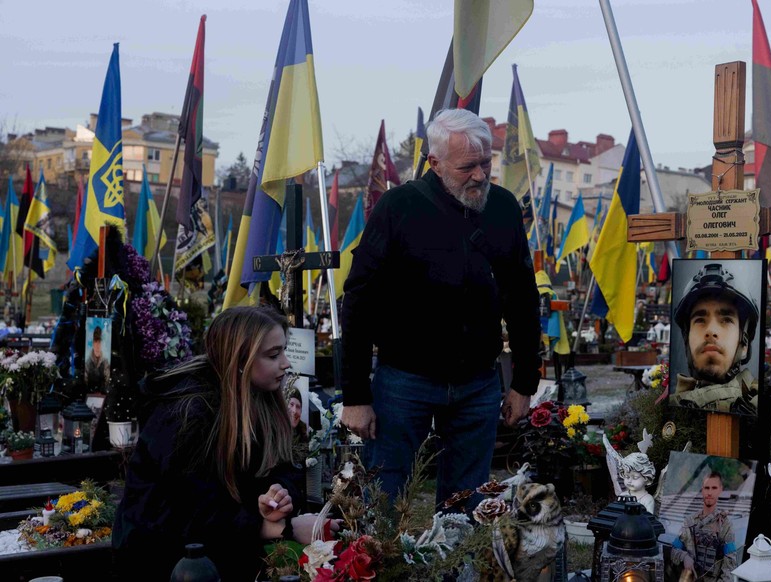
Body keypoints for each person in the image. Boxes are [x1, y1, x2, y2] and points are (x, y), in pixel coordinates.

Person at [340, 108, 541, 509]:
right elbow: (359, 301)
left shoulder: (503, 207)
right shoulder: (397, 207)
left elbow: (522, 298)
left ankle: (457, 553)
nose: (480, 176)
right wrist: (355, 395)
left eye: (486, 163)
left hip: (478, 382)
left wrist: (524, 383)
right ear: (434, 162)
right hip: (404, 380)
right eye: (467, 167)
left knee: (467, 506)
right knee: (384, 497)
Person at [113, 306, 337, 579]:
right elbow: (188, 509)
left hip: (223, 552)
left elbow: (283, 465)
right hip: (165, 561)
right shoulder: (187, 414)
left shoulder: (261, 398)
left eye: (283, 351)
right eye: (273, 355)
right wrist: (278, 528)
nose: (286, 363)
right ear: (240, 359)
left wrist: (278, 495)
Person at [669, 263, 759, 414]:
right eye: (700, 320)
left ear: (744, 346)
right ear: (687, 339)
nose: (711, 331)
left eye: (726, 320)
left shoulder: (760, 405)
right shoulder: (667, 405)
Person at [670, 471, 738, 582]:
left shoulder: (725, 525)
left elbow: (730, 566)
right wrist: (685, 557)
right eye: (707, 488)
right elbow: (674, 550)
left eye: (714, 488)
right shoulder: (690, 521)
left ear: (720, 490)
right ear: (702, 490)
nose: (709, 493)